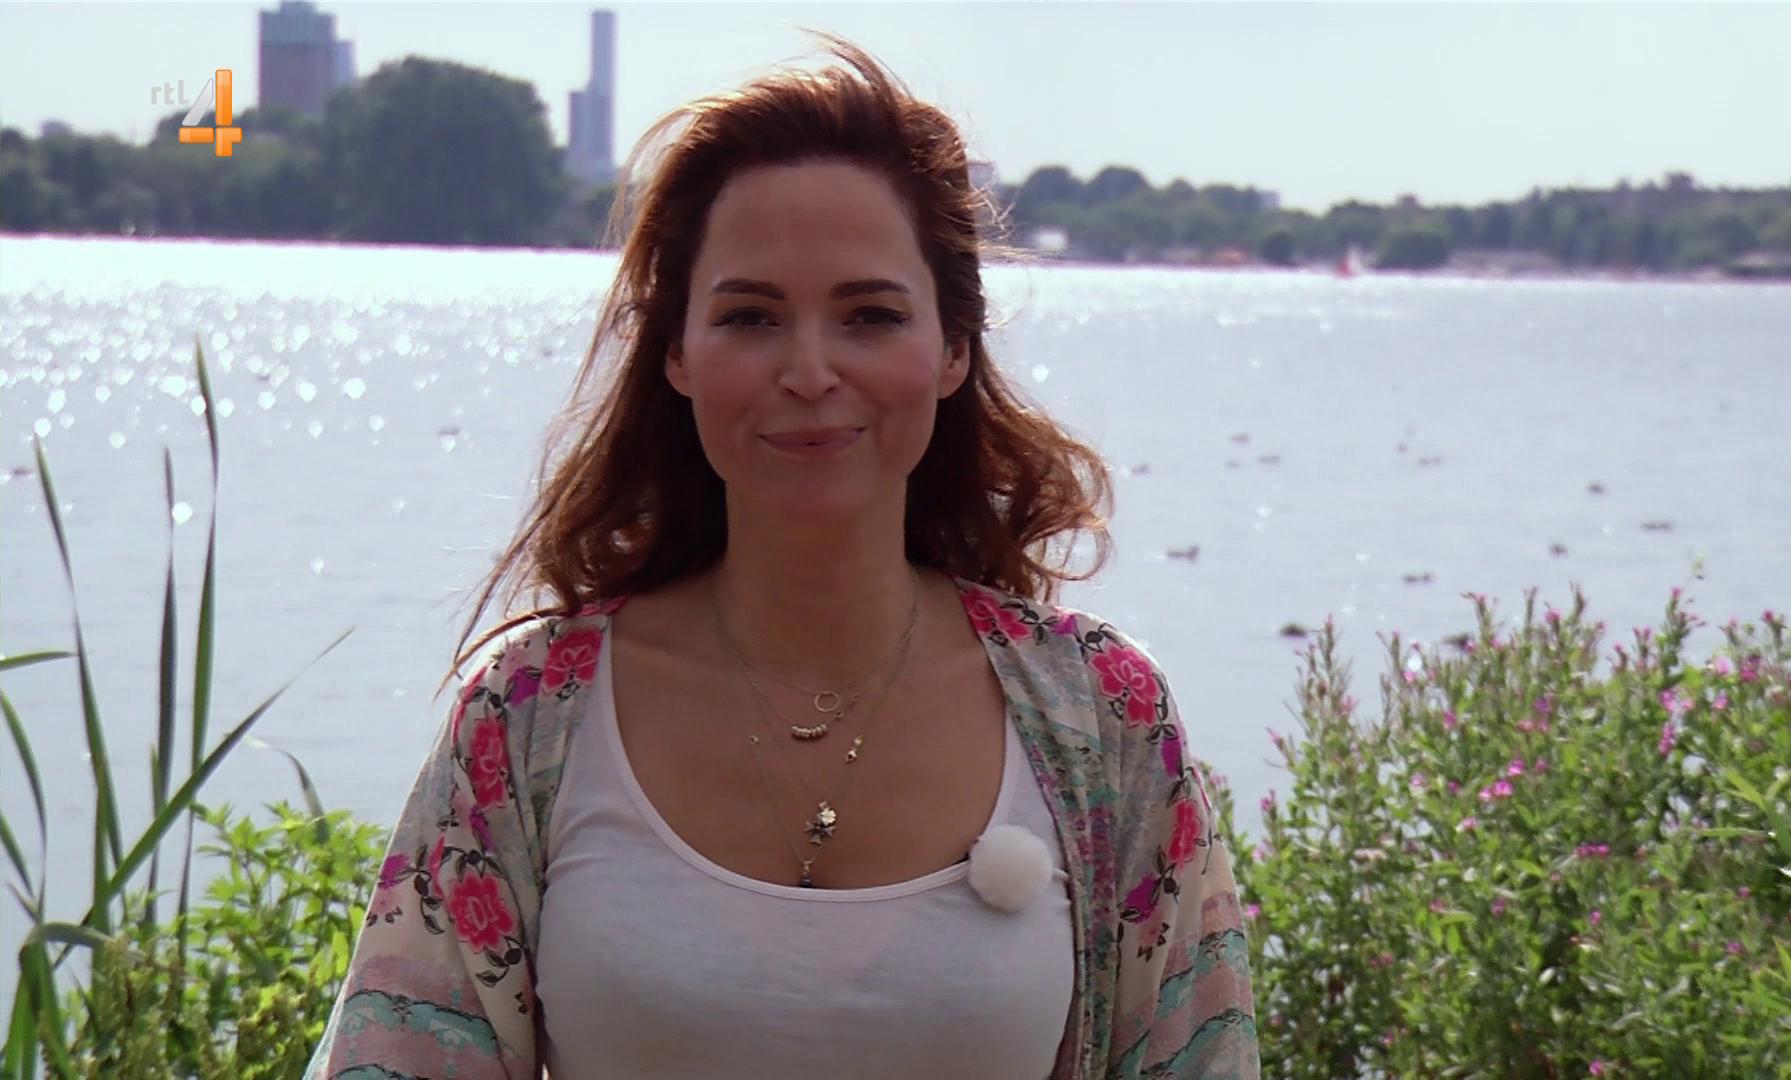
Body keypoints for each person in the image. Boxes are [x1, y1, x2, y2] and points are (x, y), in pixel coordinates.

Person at [305, 34, 1257, 1080]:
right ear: (677, 351)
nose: (809, 372)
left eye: (870, 315)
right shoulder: (528, 720)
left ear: (953, 347)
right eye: (751, 316)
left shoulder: (1102, 717)